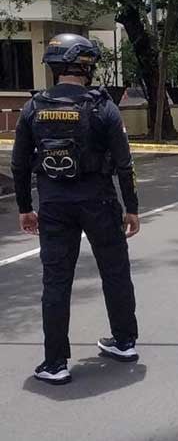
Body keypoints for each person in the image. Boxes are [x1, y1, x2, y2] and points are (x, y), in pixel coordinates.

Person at [11, 33, 141, 385]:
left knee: (56, 281)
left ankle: (55, 363)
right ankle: (125, 341)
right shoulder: (103, 106)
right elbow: (124, 163)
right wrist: (132, 208)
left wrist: (25, 207)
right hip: (99, 201)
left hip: (53, 205)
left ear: (53, 66)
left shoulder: (33, 108)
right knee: (114, 271)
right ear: (87, 66)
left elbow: (19, 165)